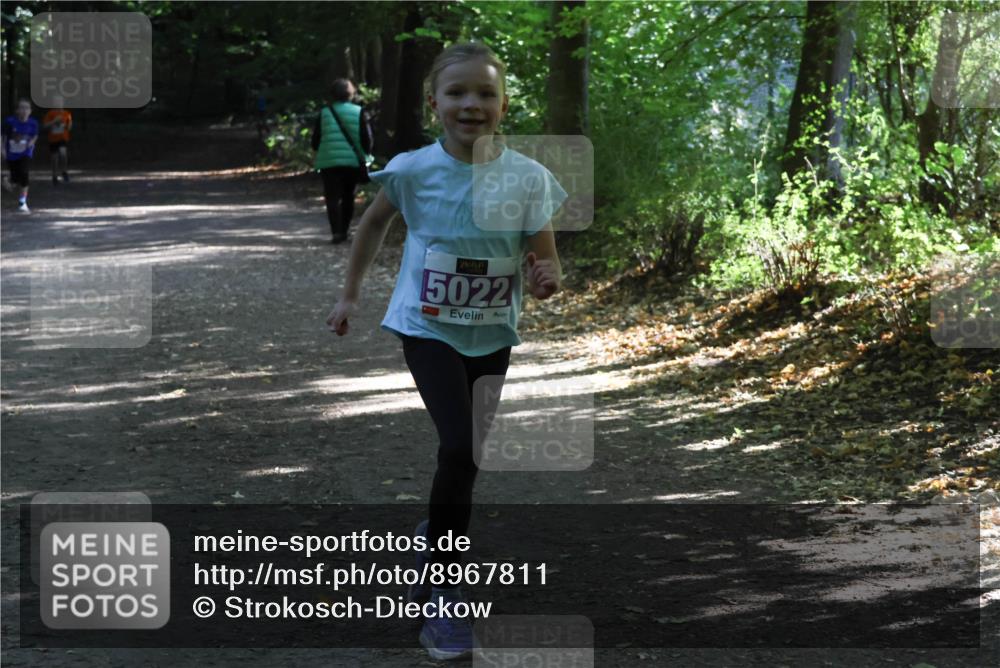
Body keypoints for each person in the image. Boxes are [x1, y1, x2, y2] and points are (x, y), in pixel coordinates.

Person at [325, 42, 567, 660]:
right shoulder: (411, 170)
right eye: (457, 93)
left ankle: (435, 535)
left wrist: (545, 280)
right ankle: (443, 599)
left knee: (470, 457)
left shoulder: (529, 178)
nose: (471, 104)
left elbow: (545, 257)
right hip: (426, 325)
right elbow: (374, 223)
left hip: (492, 332)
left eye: (485, 93)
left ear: (503, 104)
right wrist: (351, 294)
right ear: (435, 103)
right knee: (458, 447)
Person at [312, 78, 373, 244]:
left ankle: (336, 233)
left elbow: (315, 140)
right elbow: (367, 139)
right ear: (351, 94)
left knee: (331, 197)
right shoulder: (359, 112)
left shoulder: (324, 113)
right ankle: (345, 231)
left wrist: (322, 150)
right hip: (352, 162)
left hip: (329, 162)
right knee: (348, 197)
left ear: (333, 95)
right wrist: (366, 155)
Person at [2, 99, 40, 213]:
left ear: (30, 111)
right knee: (15, 179)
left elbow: (35, 135)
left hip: (26, 152)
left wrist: (31, 143)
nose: (24, 110)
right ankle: (5, 179)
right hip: (11, 154)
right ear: (17, 110)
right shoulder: (9, 122)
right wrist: (1, 148)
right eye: (22, 108)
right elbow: (2, 136)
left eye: (27, 108)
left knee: (24, 174)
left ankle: (22, 202)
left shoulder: (33, 123)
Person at [42, 96, 73, 185]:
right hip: (53, 139)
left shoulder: (67, 113)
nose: (58, 103)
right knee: (54, 158)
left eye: (60, 101)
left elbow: (69, 126)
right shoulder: (50, 114)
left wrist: (67, 125)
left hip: (63, 138)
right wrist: (54, 121)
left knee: (63, 153)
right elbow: (45, 126)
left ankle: (64, 171)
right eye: (56, 101)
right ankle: (54, 176)